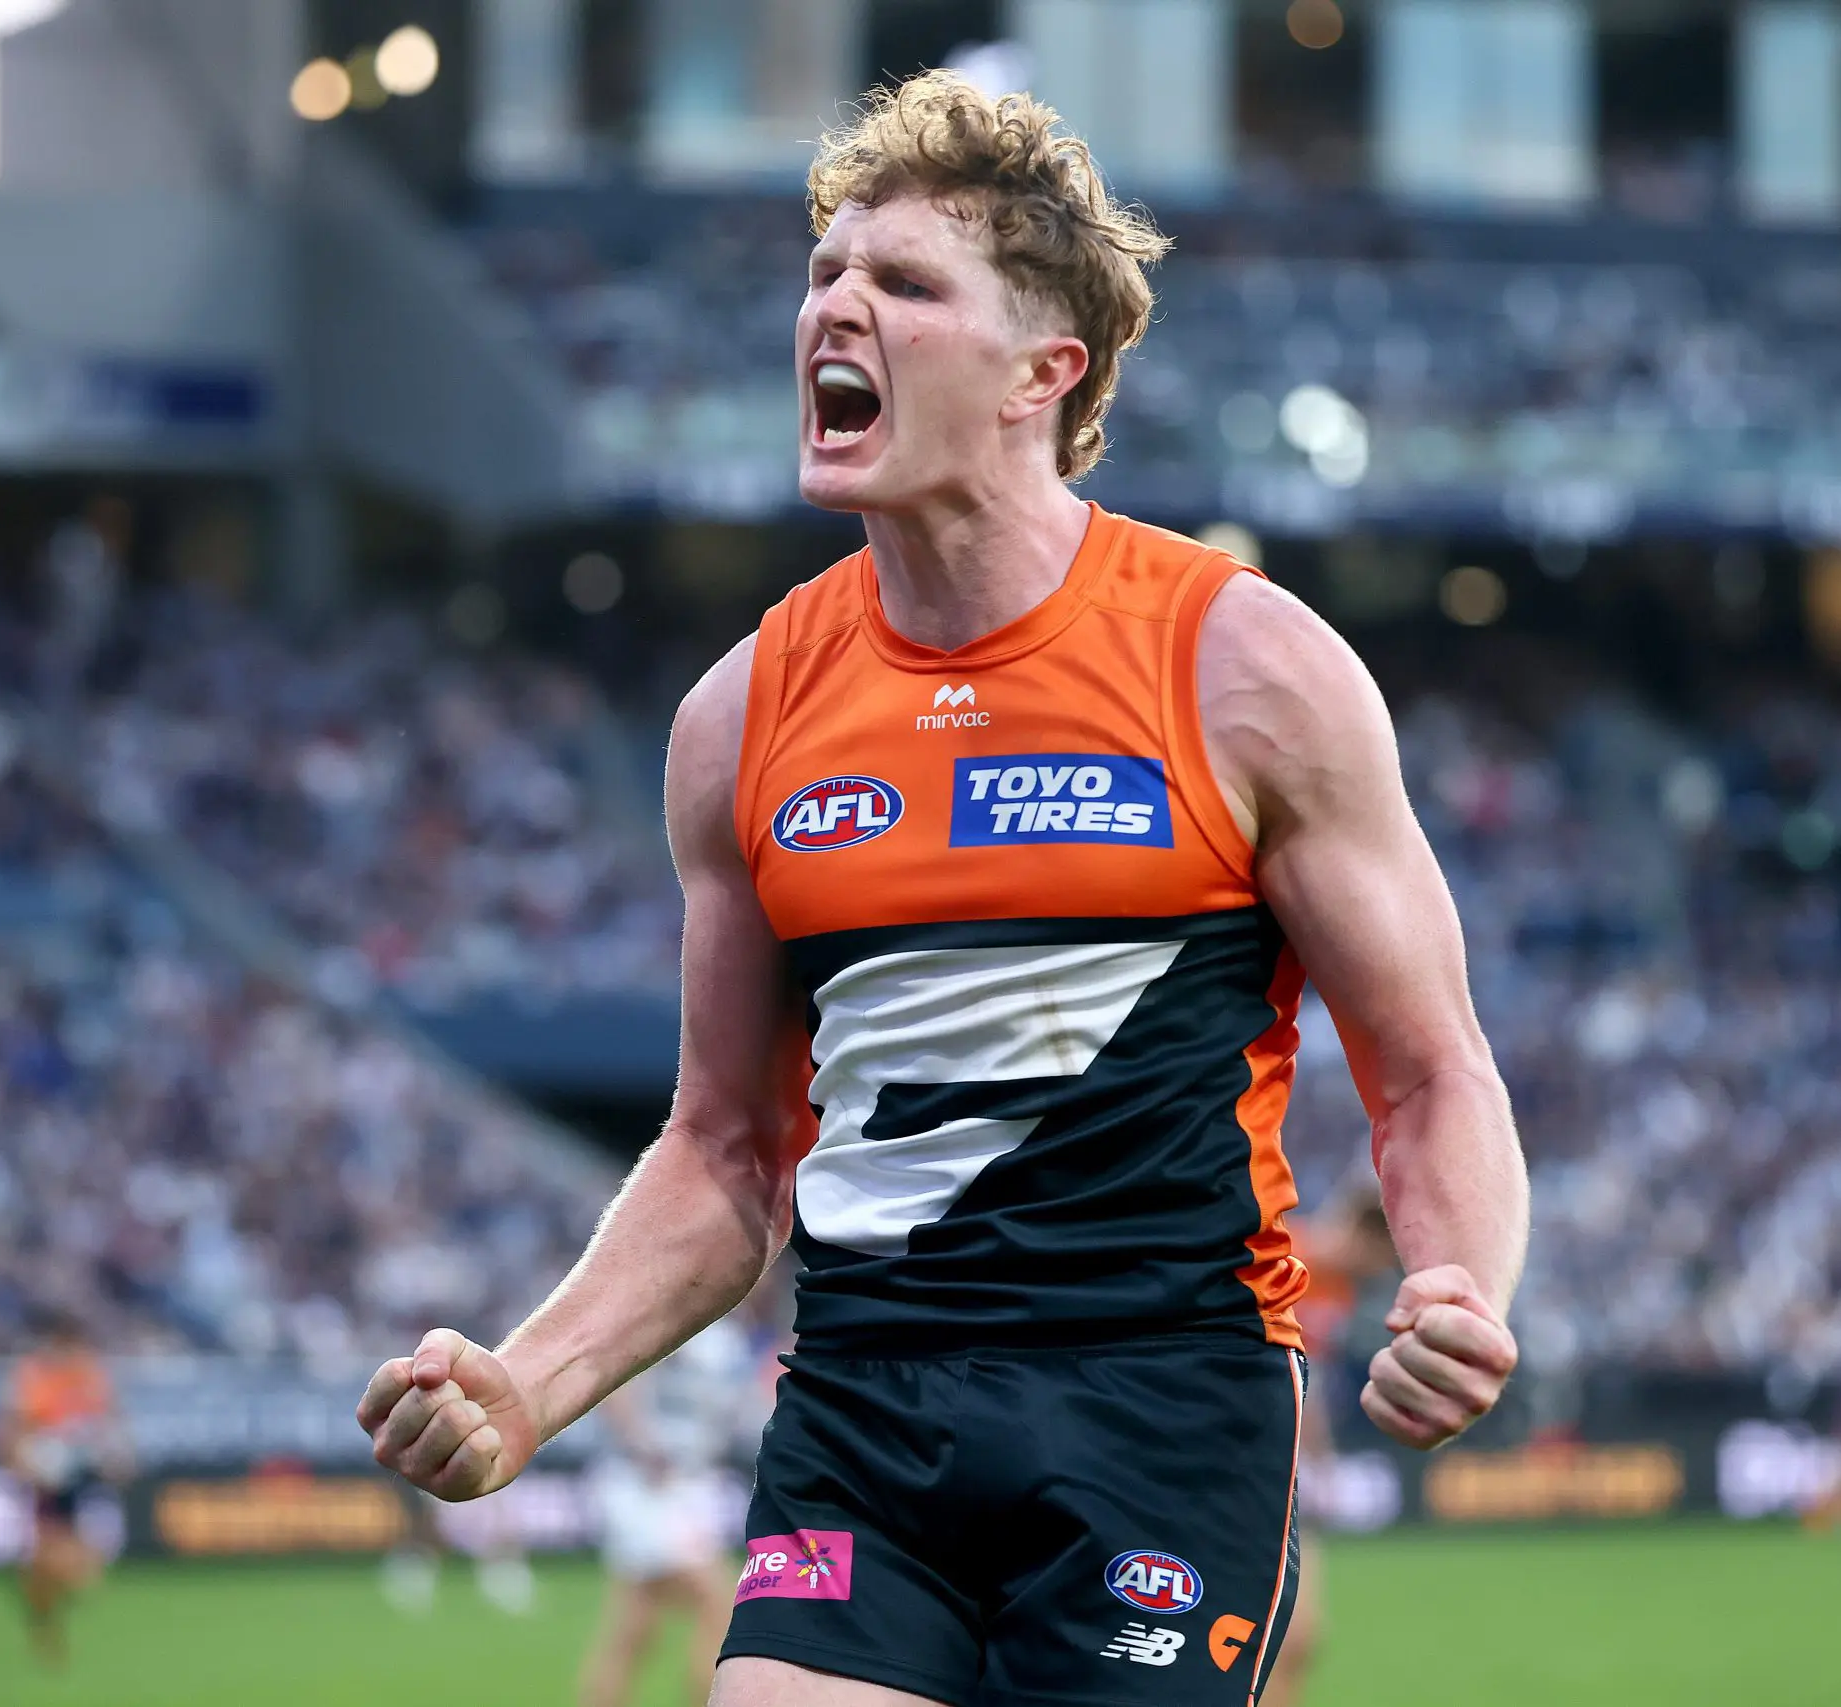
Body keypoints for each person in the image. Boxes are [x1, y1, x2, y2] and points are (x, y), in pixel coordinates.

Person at [361, 71, 1528, 1707]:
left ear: (1046, 373)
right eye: (826, 274)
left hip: (1159, 1408)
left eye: (905, 282)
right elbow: (722, 1149)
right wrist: (528, 1385)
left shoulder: (1244, 666)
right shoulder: (740, 717)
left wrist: (1461, 1280)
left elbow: (1429, 1070)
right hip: (865, 1410)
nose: (838, 301)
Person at [1260, 1183, 1400, 1707]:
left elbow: (1304, 1382)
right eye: (1384, 1256)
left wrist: (1320, 1461)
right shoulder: (1277, 1250)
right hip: (1236, 1460)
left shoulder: (1336, 1290)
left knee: (1297, 1639)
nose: (1382, 1273)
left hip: (1281, 1466)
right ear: (1363, 1235)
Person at [580, 1318, 759, 1707]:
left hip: (688, 1484)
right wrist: (641, 1445)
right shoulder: (681, 1315)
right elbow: (618, 1378)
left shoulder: (726, 1339)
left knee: (634, 1627)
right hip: (648, 1486)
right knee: (721, 1602)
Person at [0, 1316, 122, 1668]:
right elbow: (14, 1425)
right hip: (45, 1478)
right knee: (47, 1560)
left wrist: (118, 1454)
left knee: (78, 1568)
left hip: (83, 1476)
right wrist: (19, 1461)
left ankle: (52, 1599)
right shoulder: (33, 1375)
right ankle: (44, 1615)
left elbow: (108, 1419)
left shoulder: (90, 1373)